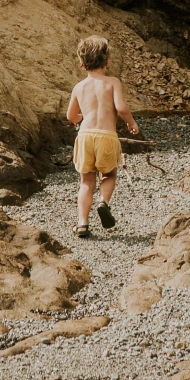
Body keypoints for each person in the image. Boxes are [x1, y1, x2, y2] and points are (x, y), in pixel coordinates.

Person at [67, 35, 139, 238]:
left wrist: (79, 117)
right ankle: (103, 202)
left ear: (82, 63)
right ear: (106, 61)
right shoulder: (113, 82)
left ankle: (82, 224)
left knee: (86, 182)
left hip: (85, 135)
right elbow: (121, 108)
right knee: (109, 175)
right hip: (107, 136)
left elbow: (70, 116)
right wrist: (131, 123)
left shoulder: (79, 87)